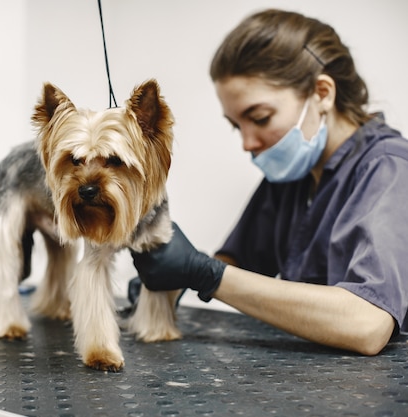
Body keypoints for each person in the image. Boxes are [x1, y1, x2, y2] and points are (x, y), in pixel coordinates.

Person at [131, 8, 408, 356]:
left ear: (322, 93)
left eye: (259, 118)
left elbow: (367, 324)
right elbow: (237, 261)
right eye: (237, 126)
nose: (247, 143)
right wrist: (173, 279)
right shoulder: (293, 174)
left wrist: (204, 274)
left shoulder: (390, 170)